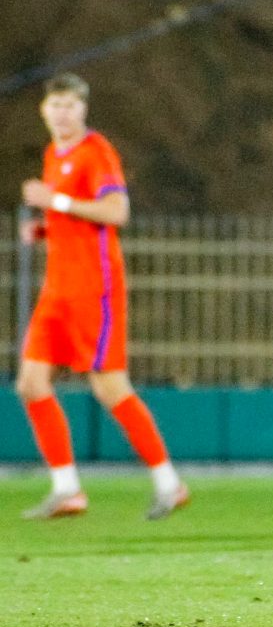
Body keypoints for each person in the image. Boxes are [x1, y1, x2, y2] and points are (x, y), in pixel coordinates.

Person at [17, 73, 190, 521]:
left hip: (95, 288)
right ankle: (66, 489)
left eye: (71, 105)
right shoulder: (54, 154)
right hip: (57, 289)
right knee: (31, 384)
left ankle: (169, 483)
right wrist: (44, 228)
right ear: (44, 110)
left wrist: (55, 203)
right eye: (56, 105)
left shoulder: (96, 152)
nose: (63, 113)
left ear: (84, 110)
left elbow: (117, 211)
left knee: (109, 386)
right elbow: (73, 218)